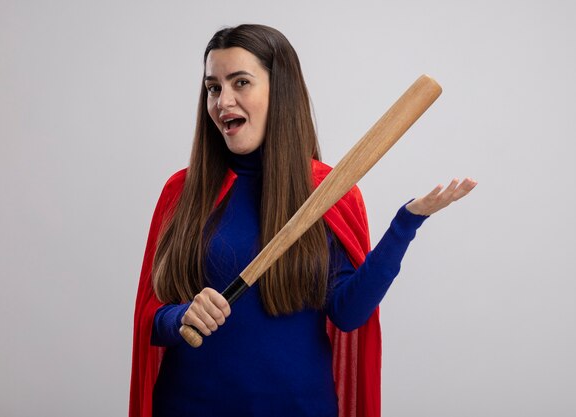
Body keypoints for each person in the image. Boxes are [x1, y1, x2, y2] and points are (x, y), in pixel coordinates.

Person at [129, 24, 476, 417]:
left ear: (281, 91)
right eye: (213, 87)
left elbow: (348, 313)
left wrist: (405, 225)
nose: (223, 101)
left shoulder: (328, 193)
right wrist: (181, 316)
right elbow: (151, 319)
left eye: (241, 82)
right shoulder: (183, 191)